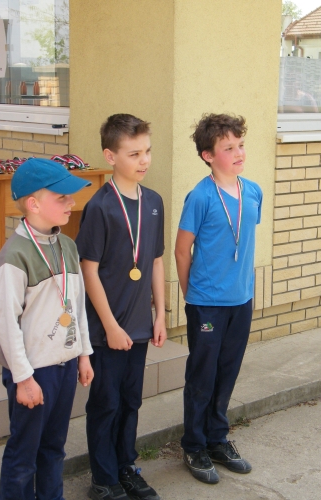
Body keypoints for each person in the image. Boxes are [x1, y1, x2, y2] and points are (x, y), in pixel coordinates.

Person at [0, 158, 94, 500]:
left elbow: (76, 305)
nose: (72, 202)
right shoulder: (13, 256)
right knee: (24, 455)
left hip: (64, 365)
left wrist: (84, 354)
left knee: (54, 448)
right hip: (33, 373)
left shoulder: (68, 246)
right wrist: (23, 378)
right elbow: (6, 324)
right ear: (34, 204)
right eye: (62, 197)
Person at [76, 114, 166, 500]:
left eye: (147, 151)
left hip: (140, 324)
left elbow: (156, 261)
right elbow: (88, 270)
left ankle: (126, 466)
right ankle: (103, 478)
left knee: (131, 400)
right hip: (107, 329)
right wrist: (111, 326)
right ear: (110, 156)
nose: (144, 160)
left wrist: (160, 314)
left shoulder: (154, 202)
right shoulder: (100, 207)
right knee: (106, 403)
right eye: (134, 154)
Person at [175, 113, 263, 484]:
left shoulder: (253, 191)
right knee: (202, 376)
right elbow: (182, 250)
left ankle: (217, 439)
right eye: (228, 148)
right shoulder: (200, 197)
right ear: (208, 156)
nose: (238, 152)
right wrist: (191, 297)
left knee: (227, 373)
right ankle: (194, 445)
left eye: (240, 145)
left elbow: (241, 241)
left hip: (241, 300)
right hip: (207, 304)